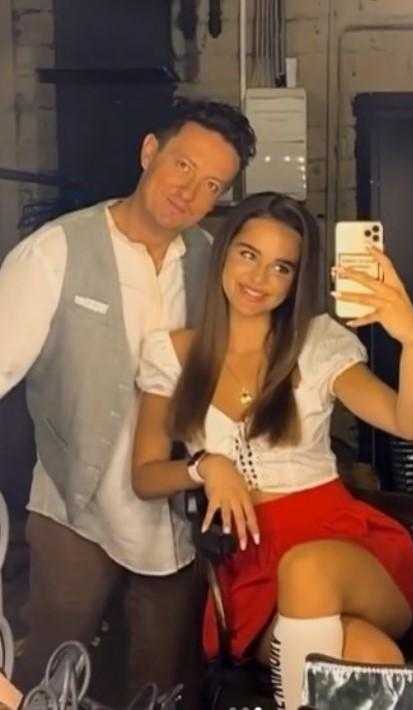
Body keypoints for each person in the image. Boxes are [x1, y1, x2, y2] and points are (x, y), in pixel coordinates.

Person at [132, 192, 413, 710]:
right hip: (254, 566)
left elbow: (412, 425)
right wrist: (207, 466)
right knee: (372, 657)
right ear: (224, 252)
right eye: (248, 254)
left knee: (307, 567)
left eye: (281, 267)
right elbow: (145, 476)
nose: (259, 278)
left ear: (297, 280)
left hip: (346, 548)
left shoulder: (315, 344)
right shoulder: (172, 354)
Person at [0, 96, 256, 703]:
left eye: (212, 185)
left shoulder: (211, 265)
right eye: (183, 166)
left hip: (172, 514)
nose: (189, 192)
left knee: (164, 685)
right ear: (149, 152)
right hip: (73, 506)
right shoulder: (57, 251)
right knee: (49, 677)